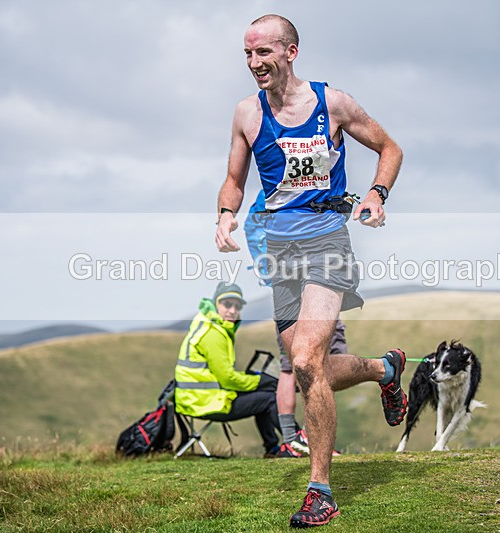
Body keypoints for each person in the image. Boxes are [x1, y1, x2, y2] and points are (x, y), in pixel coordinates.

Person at [214, 14, 406, 527]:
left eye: (263, 52)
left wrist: (376, 194)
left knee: (304, 358)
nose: (255, 62)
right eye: (248, 54)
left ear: (290, 52)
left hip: (326, 242)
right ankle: (385, 370)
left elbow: (389, 148)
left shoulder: (332, 104)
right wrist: (226, 214)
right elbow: (234, 179)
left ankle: (320, 491)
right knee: (308, 370)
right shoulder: (247, 114)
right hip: (279, 251)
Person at [244, 189, 347, 459]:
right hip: (314, 284)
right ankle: (312, 439)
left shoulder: (267, 196)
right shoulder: (305, 188)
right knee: (323, 364)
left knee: (289, 367)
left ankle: (293, 440)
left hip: (282, 286)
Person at [173, 281, 281, 456]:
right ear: (216, 304)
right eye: (227, 304)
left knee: (264, 393)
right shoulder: (213, 333)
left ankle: (274, 448)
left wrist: (257, 381)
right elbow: (227, 379)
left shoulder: (208, 325)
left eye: (237, 306)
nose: (232, 310)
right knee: (269, 398)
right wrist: (261, 380)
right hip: (205, 403)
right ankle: (293, 443)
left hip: (196, 399)